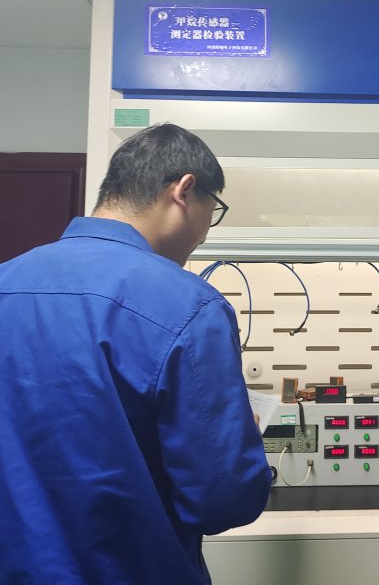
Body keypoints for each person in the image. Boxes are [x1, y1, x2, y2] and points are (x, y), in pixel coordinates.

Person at [0, 124, 271, 584]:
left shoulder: (6, 282)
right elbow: (222, 501)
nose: (205, 234)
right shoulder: (189, 306)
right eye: (213, 211)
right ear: (183, 190)